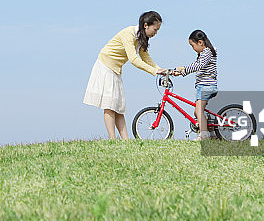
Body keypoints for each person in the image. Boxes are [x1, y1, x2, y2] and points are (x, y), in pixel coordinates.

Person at [83, 11, 169, 139]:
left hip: (116, 69)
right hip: (106, 65)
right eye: (155, 29)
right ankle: (113, 140)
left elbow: (145, 57)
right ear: (146, 25)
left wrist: (159, 69)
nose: (155, 33)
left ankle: (126, 140)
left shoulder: (141, 38)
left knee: (119, 107)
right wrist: (154, 71)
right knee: (109, 105)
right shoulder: (129, 33)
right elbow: (133, 59)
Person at [173, 30, 217, 140]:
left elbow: (198, 66)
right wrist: (182, 70)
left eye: (193, 46)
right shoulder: (205, 53)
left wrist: (183, 70)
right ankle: (212, 134)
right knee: (198, 112)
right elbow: (196, 64)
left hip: (206, 86)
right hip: (204, 86)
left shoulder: (207, 52)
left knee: (199, 110)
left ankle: (204, 135)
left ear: (200, 42)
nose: (193, 49)